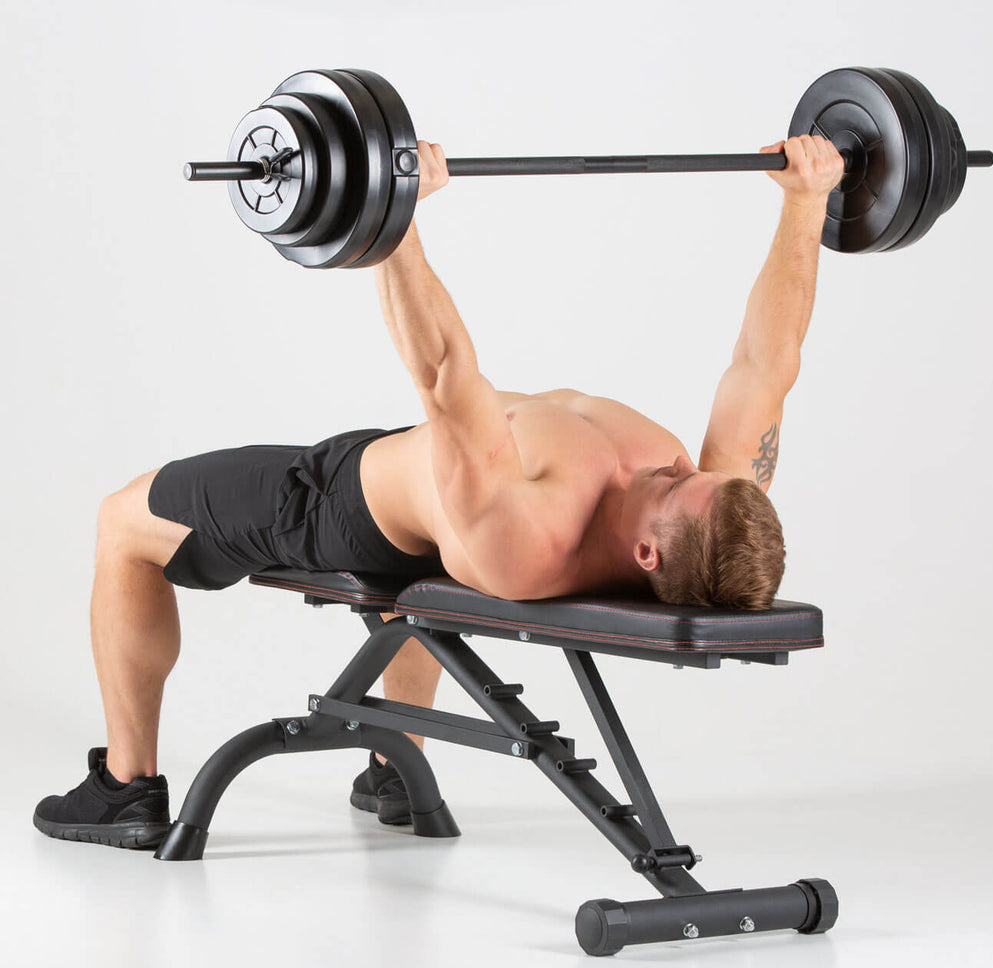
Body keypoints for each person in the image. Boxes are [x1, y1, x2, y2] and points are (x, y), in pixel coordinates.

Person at [34, 135, 846, 848]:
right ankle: (397, 765)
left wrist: (394, 221)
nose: (680, 466)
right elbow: (767, 364)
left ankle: (126, 786)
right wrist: (807, 202)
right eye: (697, 470)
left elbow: (446, 375)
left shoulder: (532, 529)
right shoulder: (709, 509)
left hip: (336, 502)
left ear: (646, 552)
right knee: (436, 554)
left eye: (675, 485)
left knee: (124, 522)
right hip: (441, 501)